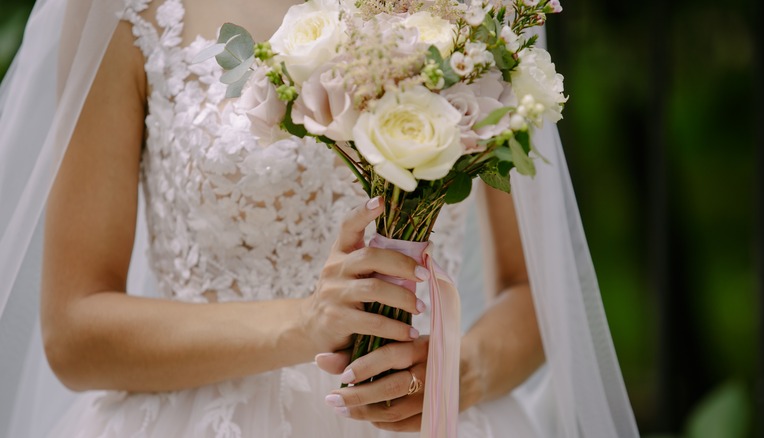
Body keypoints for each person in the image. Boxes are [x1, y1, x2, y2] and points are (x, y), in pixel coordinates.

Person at [0, 0, 639, 437]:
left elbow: (536, 293)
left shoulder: (479, 12)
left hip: (425, 420)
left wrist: (459, 368)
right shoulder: (123, 10)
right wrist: (304, 325)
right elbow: (74, 329)